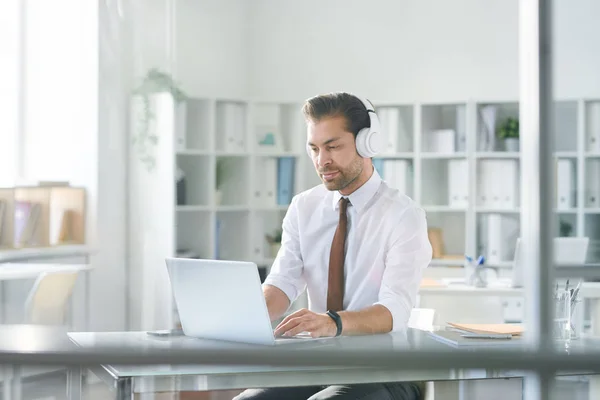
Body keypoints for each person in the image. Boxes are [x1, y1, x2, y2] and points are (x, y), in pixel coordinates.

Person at [234, 92, 432, 400]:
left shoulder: (403, 216)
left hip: (385, 370)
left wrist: (333, 323)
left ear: (368, 143)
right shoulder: (304, 207)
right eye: (314, 148)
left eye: (333, 146)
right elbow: (282, 284)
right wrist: (237, 318)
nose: (321, 160)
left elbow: (395, 310)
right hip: (317, 364)